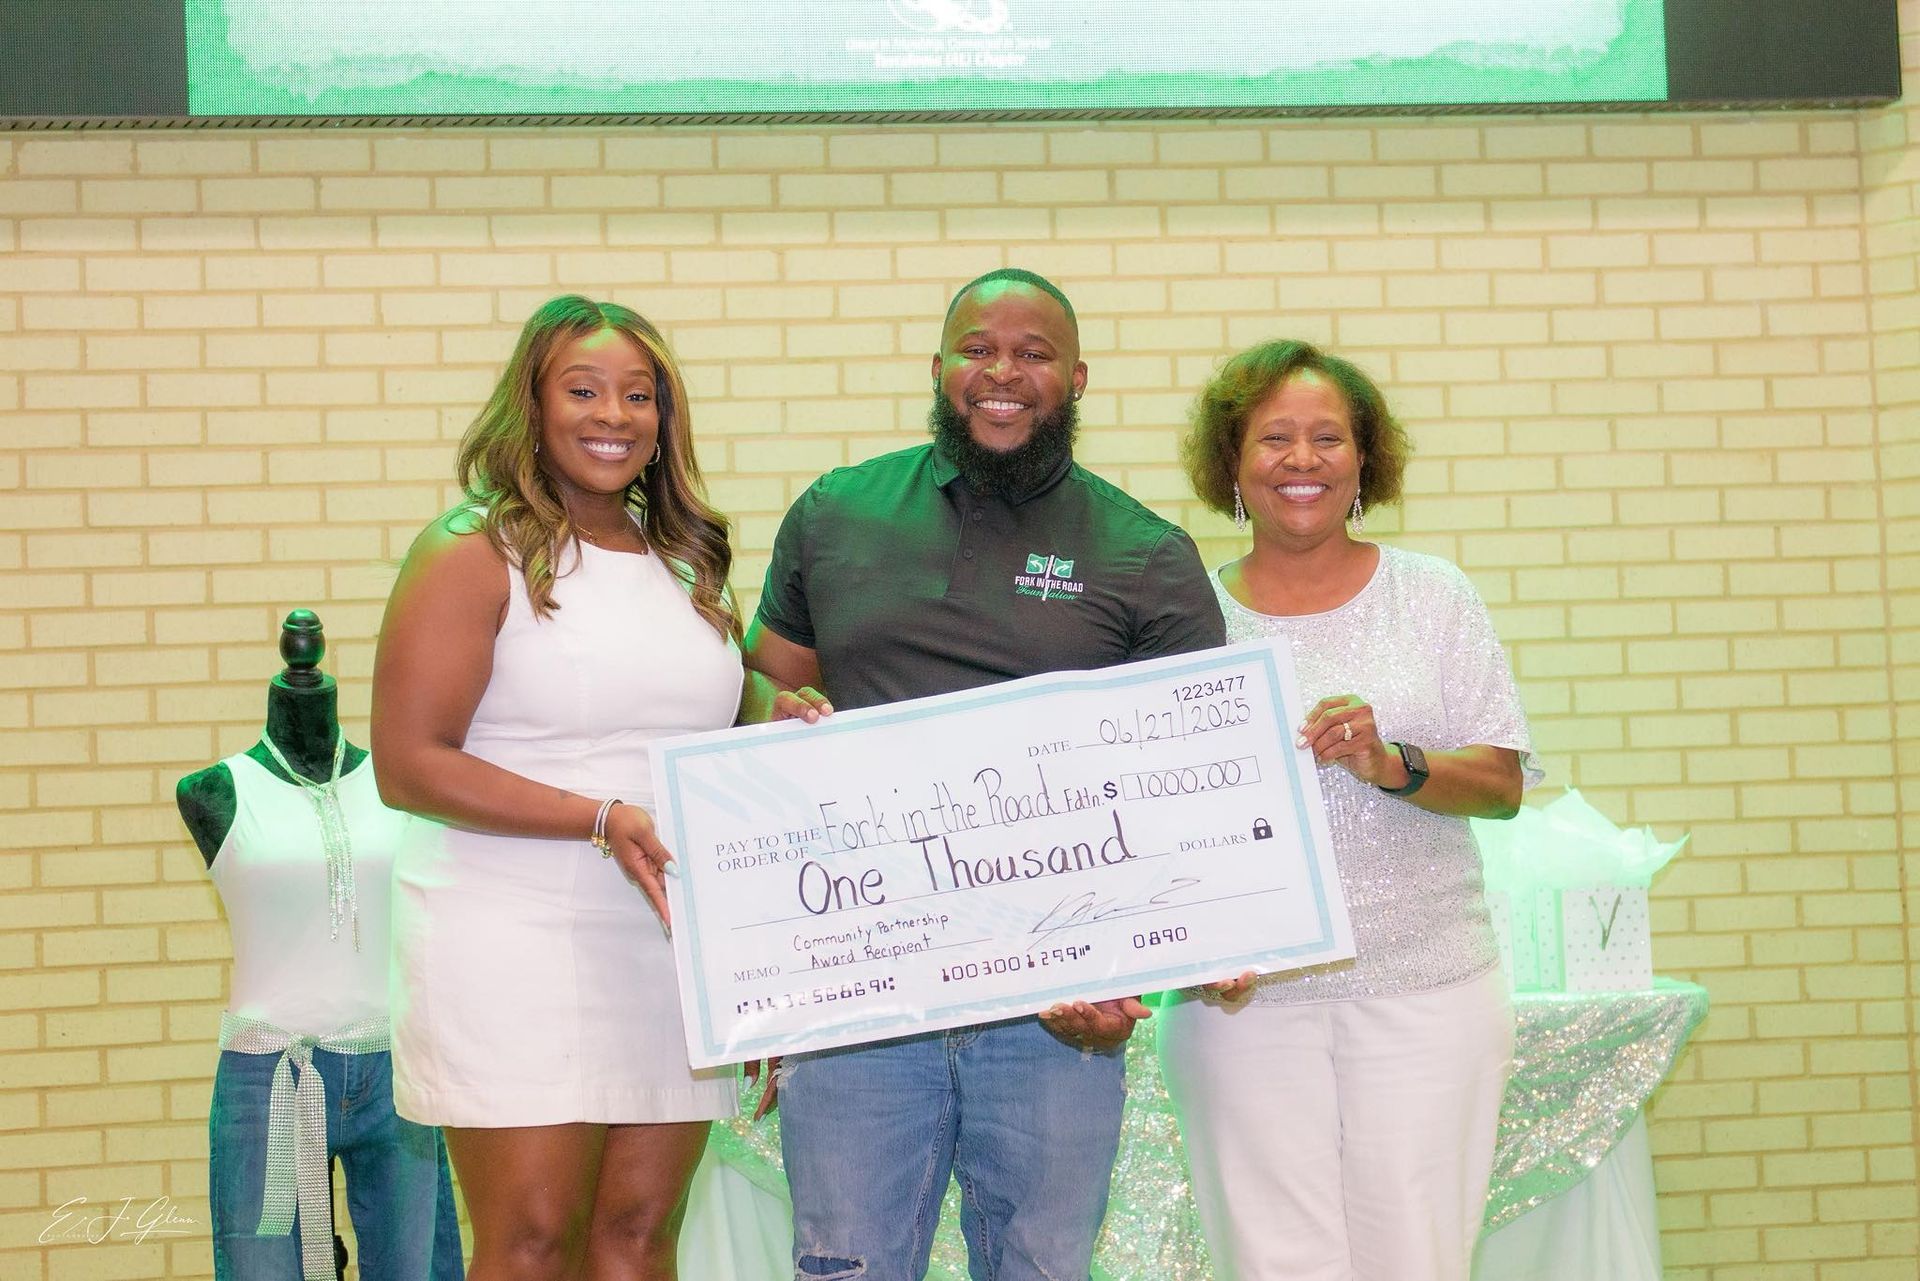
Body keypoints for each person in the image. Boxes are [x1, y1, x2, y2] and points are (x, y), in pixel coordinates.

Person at [743, 268, 1226, 1281]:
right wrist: (765, 960)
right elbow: (759, 705)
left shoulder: (1147, 554)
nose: (1001, 372)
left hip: (1057, 1010)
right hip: (862, 992)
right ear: (938, 368)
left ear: (1078, 378)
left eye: (1033, 353)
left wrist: (1130, 966)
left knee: (1043, 1269)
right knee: (845, 1268)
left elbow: (1196, 790)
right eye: (977, 348)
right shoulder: (837, 513)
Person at [372, 295, 760, 1280]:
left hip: (665, 941)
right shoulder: (471, 550)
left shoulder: (689, 560)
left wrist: (776, 709)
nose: (614, 416)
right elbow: (409, 761)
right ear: (532, 406)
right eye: (583, 390)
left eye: (640, 395)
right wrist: (594, 818)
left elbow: (690, 720)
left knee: (637, 1238)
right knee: (533, 1238)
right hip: (511, 934)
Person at [1155, 339, 1541, 1281]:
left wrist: (1388, 761)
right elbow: (1153, 823)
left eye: (1328, 438)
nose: (1302, 459)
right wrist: (1191, 950)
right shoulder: (1182, 617)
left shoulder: (1434, 596)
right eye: (1274, 438)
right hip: (1242, 1010)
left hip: (1429, 991)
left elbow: (1501, 786)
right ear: (1231, 466)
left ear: (1365, 461)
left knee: (1418, 1260)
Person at [179, 610, 462, 1281]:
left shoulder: (394, 784)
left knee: (414, 1269)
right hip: (270, 1074)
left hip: (393, 1067)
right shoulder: (214, 791)